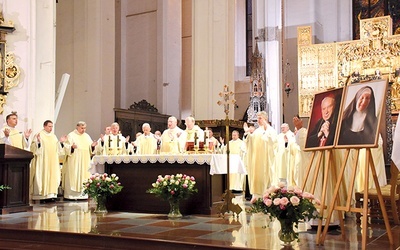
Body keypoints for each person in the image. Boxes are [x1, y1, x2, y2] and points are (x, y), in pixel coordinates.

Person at [243, 111, 277, 199]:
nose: (258, 120)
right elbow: (250, 142)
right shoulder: (257, 131)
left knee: (267, 178)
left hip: (267, 160)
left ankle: (268, 196)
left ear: (265, 119)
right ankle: (257, 198)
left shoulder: (271, 130)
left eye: (260, 118)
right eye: (257, 118)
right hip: (257, 161)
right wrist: (247, 133)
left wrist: (266, 134)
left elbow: (274, 144)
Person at [30, 120, 67, 201]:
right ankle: (42, 196)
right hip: (43, 161)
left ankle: (51, 195)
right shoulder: (39, 135)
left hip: (52, 161)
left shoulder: (53, 136)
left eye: (52, 126)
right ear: (44, 126)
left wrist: (61, 142)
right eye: (49, 126)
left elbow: (58, 149)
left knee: (53, 177)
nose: (51, 128)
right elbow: (33, 148)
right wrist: (38, 143)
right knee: (43, 176)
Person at [62, 121, 97, 200]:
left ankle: (83, 195)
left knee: (84, 177)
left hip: (85, 161)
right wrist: (71, 147)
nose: (83, 130)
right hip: (74, 161)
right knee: (74, 176)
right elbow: (66, 147)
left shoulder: (87, 136)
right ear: (77, 127)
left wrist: (92, 146)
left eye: (85, 128)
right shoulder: (71, 135)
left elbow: (91, 149)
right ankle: (71, 195)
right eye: (82, 128)